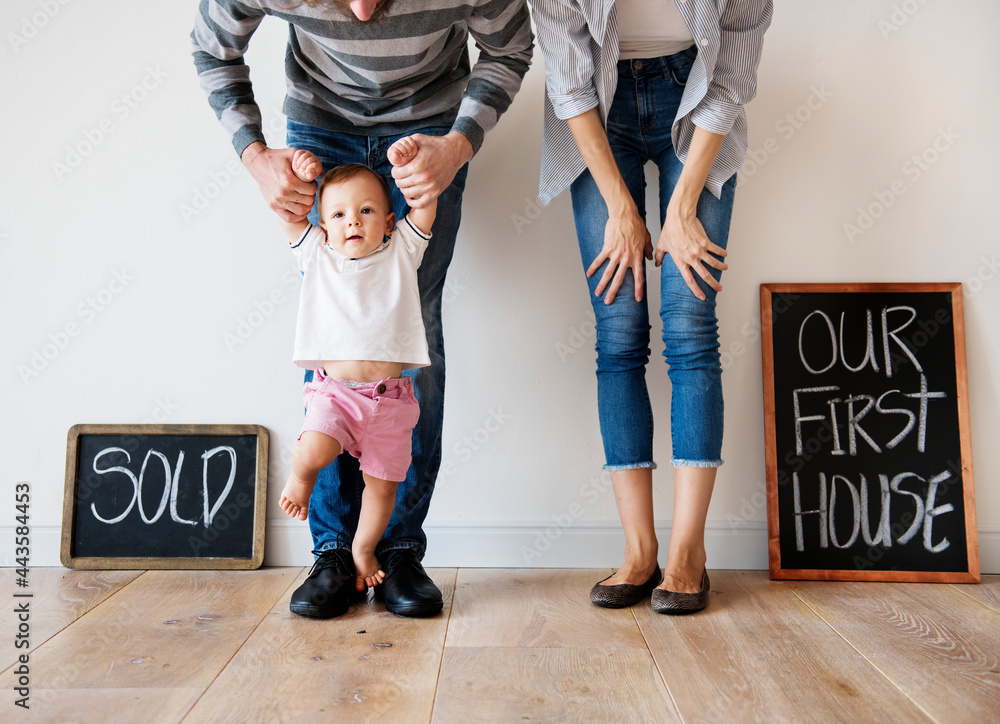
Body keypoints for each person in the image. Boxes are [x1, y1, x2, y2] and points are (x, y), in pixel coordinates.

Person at [192, 0, 533, 618]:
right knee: (332, 332)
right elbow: (213, 48)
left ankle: (397, 548)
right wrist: (255, 154)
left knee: (416, 328)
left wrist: (458, 144)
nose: (363, 11)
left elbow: (511, 48)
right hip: (320, 126)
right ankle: (331, 553)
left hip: (429, 127)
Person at [532, 0, 771, 613]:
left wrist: (683, 206)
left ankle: (689, 553)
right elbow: (565, 73)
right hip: (595, 112)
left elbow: (736, 68)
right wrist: (620, 208)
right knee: (618, 330)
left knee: (691, 325)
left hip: (695, 97)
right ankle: (640, 551)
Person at [277, 141, 435, 602]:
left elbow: (424, 205)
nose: (354, 222)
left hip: (390, 401)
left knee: (382, 488)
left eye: (367, 211)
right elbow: (289, 214)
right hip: (335, 394)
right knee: (315, 447)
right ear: (323, 226)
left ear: (388, 223)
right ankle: (302, 481)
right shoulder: (318, 256)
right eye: (341, 215)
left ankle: (366, 551)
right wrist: (303, 177)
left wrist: (408, 166)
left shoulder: (402, 251)